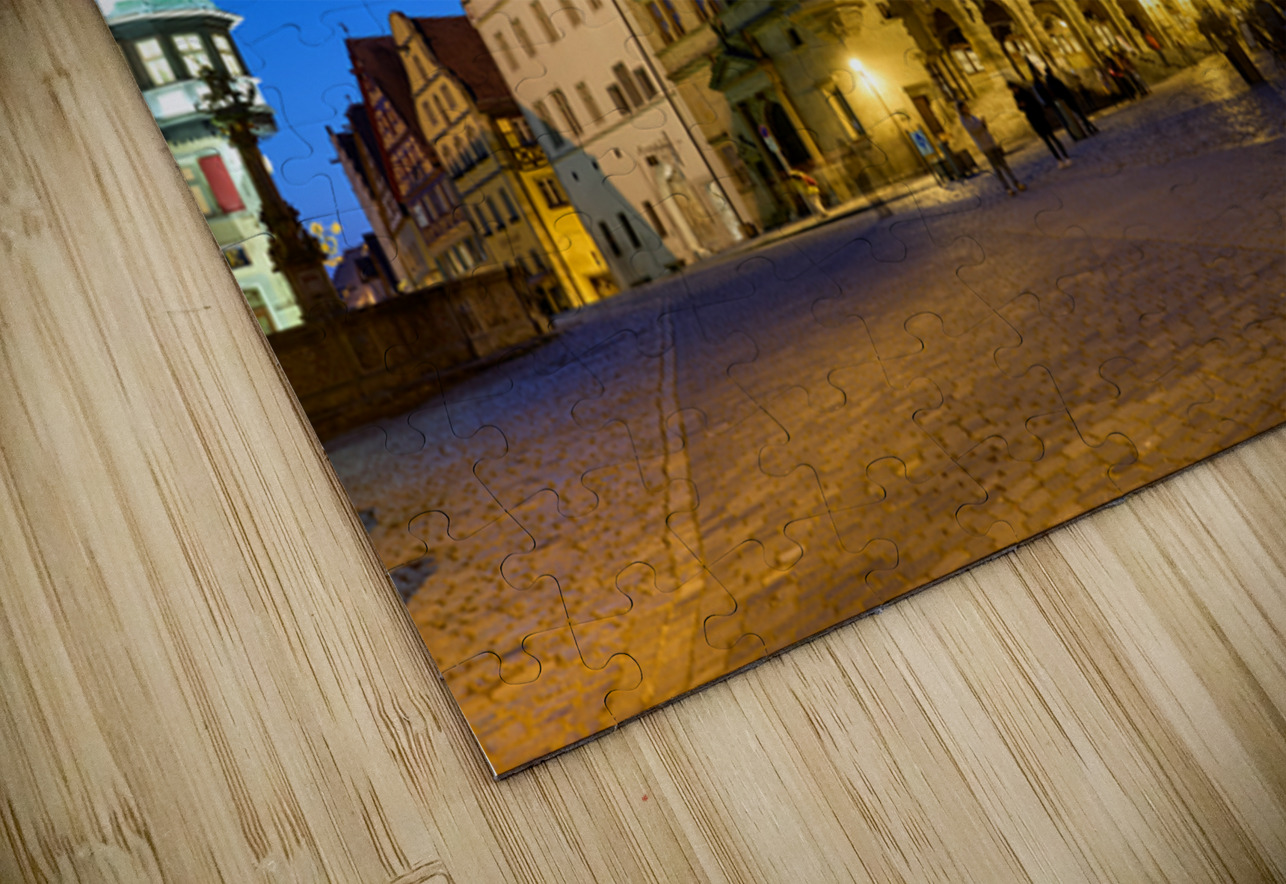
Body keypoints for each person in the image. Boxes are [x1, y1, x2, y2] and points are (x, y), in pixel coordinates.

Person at [956, 100, 1026, 196]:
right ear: (961, 110)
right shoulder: (964, 120)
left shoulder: (972, 117)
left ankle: (1016, 182)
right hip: (984, 146)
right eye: (964, 107)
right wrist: (981, 124)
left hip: (990, 142)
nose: (967, 108)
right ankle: (1007, 188)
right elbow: (973, 130)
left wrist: (983, 124)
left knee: (1004, 164)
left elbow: (980, 128)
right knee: (997, 168)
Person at [1010, 82, 1072, 167]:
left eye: (1014, 88)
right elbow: (1020, 108)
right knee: (1047, 141)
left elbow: (1035, 104)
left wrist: (1027, 105)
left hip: (1039, 118)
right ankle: (1059, 159)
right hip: (1033, 120)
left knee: (1053, 138)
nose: (1014, 90)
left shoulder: (1026, 94)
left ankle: (1066, 156)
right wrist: (1021, 106)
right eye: (1012, 89)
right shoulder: (1016, 97)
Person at [1045, 69, 1099, 135]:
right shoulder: (1053, 81)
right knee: (1078, 113)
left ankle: (1089, 126)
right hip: (1066, 98)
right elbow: (1061, 89)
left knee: (1078, 113)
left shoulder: (1051, 81)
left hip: (1065, 98)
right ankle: (1088, 127)